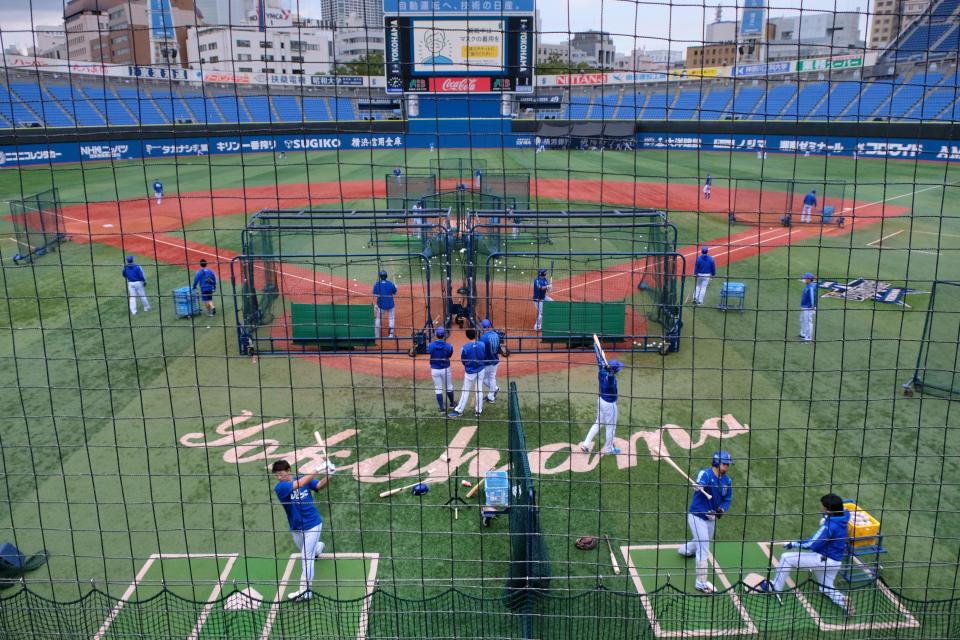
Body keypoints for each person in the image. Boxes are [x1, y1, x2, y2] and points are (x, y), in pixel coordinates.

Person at [757, 493, 855, 616]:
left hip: (824, 560)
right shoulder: (844, 515)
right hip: (836, 562)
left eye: (823, 507)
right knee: (825, 588)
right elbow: (844, 509)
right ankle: (843, 601)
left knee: (786, 558)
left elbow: (811, 544)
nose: (821, 509)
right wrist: (827, 517)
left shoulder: (829, 527)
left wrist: (793, 543)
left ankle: (775, 587)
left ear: (829, 510)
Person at [271, 458, 334, 602]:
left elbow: (319, 485)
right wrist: (318, 469)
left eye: (281, 474)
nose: (279, 477)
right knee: (307, 550)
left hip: (313, 524)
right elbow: (300, 483)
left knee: (306, 558)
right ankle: (318, 548)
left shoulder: (303, 479)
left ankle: (305, 592)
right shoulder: (280, 488)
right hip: (296, 528)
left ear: (289, 471)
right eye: (277, 475)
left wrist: (329, 475)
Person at [678, 450, 734, 594]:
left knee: (702, 542)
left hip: (711, 519)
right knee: (704, 549)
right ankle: (701, 583)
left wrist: (721, 510)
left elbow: (727, 499)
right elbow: (700, 483)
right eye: (724, 464)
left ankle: (685, 550)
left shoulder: (727, 481)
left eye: (728, 464)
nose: (727, 467)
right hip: (697, 516)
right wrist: (699, 486)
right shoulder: (706, 474)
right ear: (716, 462)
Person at [578, 353, 624, 456]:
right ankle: (609, 449)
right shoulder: (610, 380)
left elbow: (599, 359)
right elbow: (611, 377)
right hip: (609, 405)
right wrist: (611, 372)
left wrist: (597, 348)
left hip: (601, 400)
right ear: (614, 371)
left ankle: (585, 445)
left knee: (598, 423)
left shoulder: (602, 371)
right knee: (611, 428)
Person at [449, 327, 486, 418]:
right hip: (481, 370)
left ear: (467, 336)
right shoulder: (482, 344)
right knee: (479, 390)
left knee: (465, 391)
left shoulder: (465, 348)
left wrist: (468, 365)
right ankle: (478, 411)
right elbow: (484, 355)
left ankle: (459, 410)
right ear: (476, 334)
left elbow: (463, 360)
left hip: (470, 372)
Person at [427, 326, 455, 414]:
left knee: (438, 389)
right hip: (446, 368)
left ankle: (442, 409)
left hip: (435, 369)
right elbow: (449, 355)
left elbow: (429, 351)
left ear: (436, 335)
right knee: (449, 387)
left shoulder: (430, 345)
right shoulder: (449, 346)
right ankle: (452, 404)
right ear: (444, 335)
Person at [479, 319, 507, 403]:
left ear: (483, 327)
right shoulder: (496, 335)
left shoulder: (483, 338)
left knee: (482, 379)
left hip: (487, 362)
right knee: (492, 378)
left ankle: (494, 389)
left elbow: (481, 350)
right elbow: (499, 348)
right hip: (495, 360)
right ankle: (491, 396)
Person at [373, 269, 398, 339]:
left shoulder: (377, 284)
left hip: (381, 305)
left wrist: (375, 304)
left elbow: (375, 295)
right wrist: (395, 287)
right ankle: (391, 335)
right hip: (390, 305)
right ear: (386, 276)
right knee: (391, 319)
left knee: (378, 319)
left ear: (380, 276)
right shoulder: (391, 284)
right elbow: (395, 293)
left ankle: (377, 336)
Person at [800, 272, 817, 343]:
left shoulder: (811, 287)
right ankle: (803, 334)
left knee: (808, 322)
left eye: (805, 278)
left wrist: (812, 307)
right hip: (804, 306)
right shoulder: (808, 285)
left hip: (808, 307)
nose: (804, 279)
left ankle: (808, 338)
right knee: (802, 320)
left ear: (809, 279)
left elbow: (812, 298)